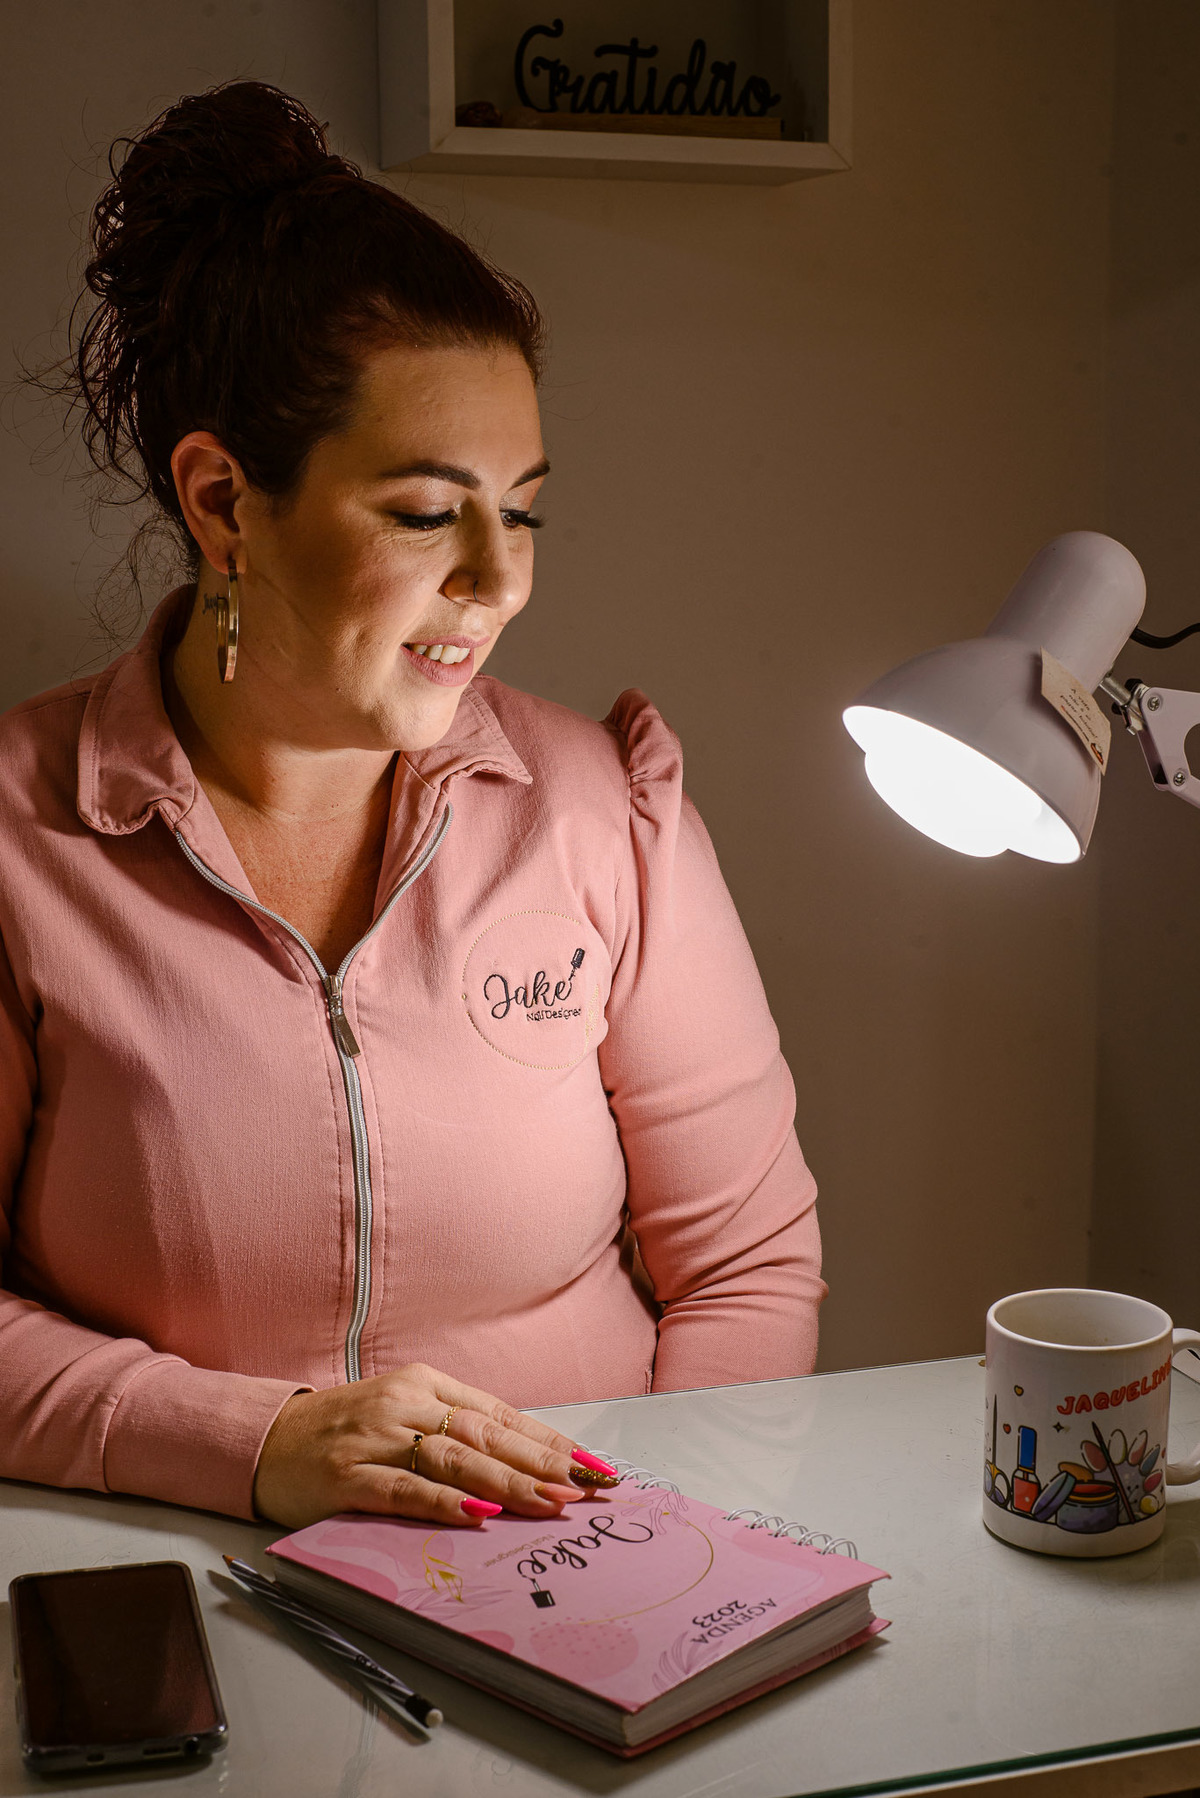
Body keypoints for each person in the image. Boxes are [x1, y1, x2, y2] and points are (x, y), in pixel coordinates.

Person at [0, 83, 824, 1532]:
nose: (499, 580)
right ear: (223, 502)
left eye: (524, 509)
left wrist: (655, 1565)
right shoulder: (21, 841)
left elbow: (747, 1271)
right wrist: (255, 1443)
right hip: (175, 1573)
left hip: (587, 1583)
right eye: (428, 513)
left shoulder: (606, 817)